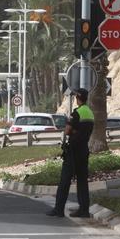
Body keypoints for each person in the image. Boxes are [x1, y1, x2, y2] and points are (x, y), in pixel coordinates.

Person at [47, 88, 94, 218]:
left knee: (65, 181)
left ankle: (59, 209)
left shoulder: (76, 113)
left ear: (77, 98)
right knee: (82, 181)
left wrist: (73, 132)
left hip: (73, 151)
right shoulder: (90, 113)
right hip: (84, 150)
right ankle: (84, 210)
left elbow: (67, 131)